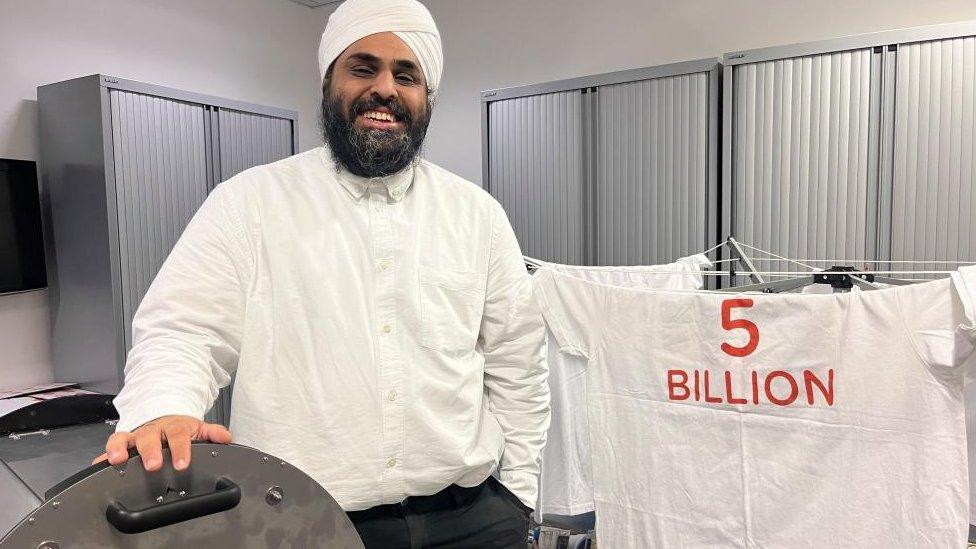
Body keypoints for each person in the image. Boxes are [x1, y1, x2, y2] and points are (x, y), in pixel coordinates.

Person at [93, 0, 549, 546]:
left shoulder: (477, 215)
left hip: (472, 519)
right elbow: (184, 331)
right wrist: (164, 408)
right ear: (329, 80)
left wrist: (518, 494)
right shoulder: (249, 204)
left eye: (406, 75)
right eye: (363, 67)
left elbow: (517, 360)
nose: (384, 88)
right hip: (304, 523)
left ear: (427, 98)